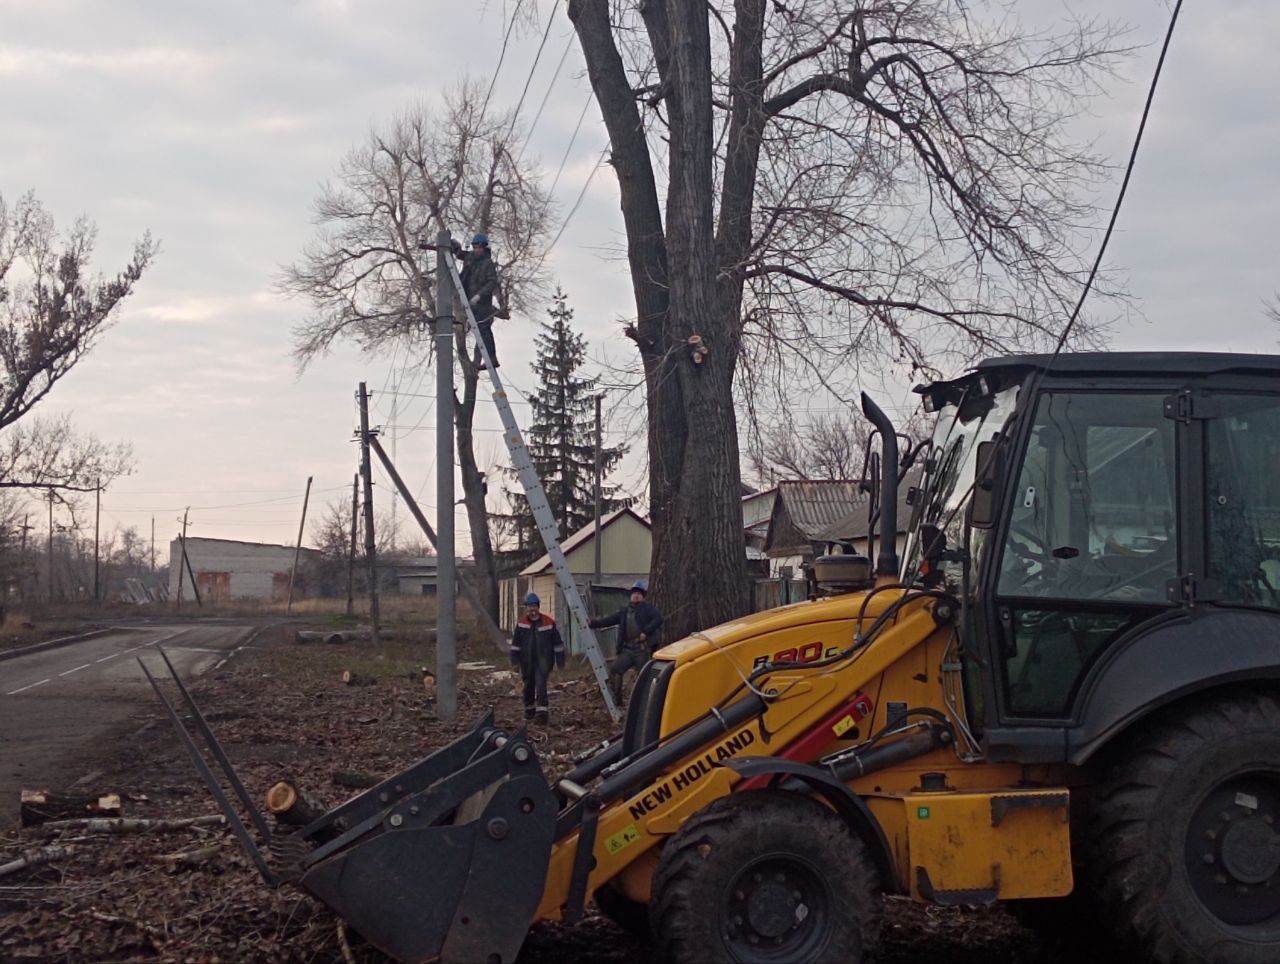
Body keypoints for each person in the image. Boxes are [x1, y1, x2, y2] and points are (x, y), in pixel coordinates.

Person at [590, 580, 663, 706]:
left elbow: (658, 618)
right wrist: (592, 623)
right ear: (630, 595)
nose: (636, 595)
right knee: (615, 670)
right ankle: (617, 701)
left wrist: (646, 632)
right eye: (634, 592)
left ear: (643, 596)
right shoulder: (625, 611)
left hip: (642, 649)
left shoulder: (648, 609)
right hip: (628, 649)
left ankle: (645, 704)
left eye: (639, 593)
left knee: (644, 677)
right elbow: (610, 620)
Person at [510, 591, 565, 724]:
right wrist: (515, 662)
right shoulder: (521, 624)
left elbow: (558, 644)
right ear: (526, 608)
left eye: (534, 606)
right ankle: (529, 710)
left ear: (538, 606)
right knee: (528, 685)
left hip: (544, 662)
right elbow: (515, 645)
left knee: (540, 685)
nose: (532, 609)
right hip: (526, 662)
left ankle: (542, 715)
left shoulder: (549, 622)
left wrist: (560, 662)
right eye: (529, 606)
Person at [454, 232, 501, 369]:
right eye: (475, 247)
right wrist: (455, 247)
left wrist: (479, 296)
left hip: (482, 304)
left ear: (484, 248)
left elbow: (492, 282)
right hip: (470, 301)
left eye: (479, 247)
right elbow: (462, 255)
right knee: (478, 330)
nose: (477, 250)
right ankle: (488, 358)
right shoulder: (470, 258)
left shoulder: (488, 264)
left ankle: (492, 359)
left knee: (484, 329)